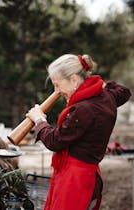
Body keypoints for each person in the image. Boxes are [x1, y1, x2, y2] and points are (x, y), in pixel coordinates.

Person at [25, 54, 131, 210]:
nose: (57, 91)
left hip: (74, 180)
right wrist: (93, 83)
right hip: (85, 175)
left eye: (57, 85)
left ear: (74, 80)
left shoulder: (83, 109)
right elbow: (123, 91)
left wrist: (39, 120)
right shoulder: (105, 96)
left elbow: (55, 141)